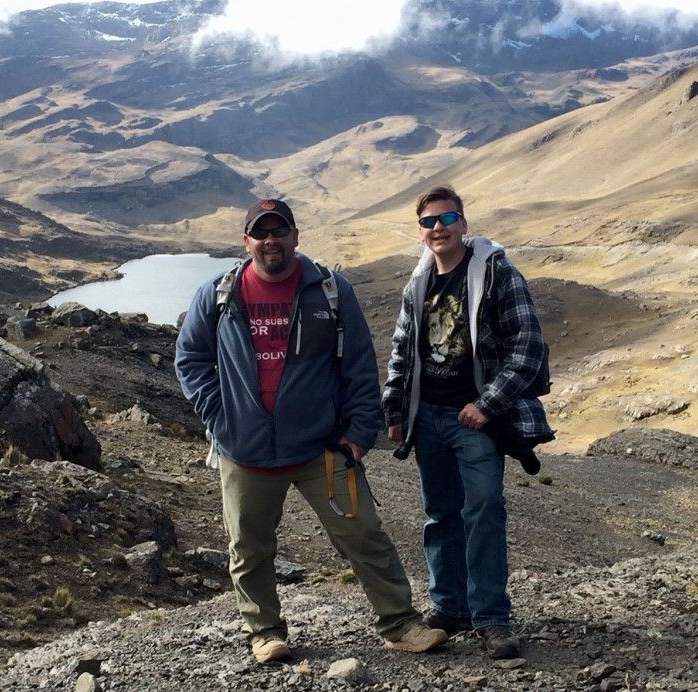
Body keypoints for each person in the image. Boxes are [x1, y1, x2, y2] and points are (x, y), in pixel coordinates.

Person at [175, 198, 447, 663]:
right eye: (261, 233)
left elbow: (360, 367)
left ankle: (400, 624)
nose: (270, 241)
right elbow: (190, 359)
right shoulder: (219, 294)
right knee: (249, 547)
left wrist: (359, 434)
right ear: (247, 242)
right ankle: (265, 632)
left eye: (279, 231)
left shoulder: (329, 290)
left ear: (296, 236)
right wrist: (219, 416)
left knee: (363, 534)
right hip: (244, 451)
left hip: (322, 447)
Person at [382, 186, 554, 659]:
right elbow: (402, 352)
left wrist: (487, 405)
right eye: (429, 222)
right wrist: (397, 411)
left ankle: (492, 618)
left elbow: (529, 348)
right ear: (420, 232)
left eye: (447, 218)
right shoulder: (417, 285)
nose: (438, 228)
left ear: (464, 223)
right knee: (441, 514)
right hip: (429, 418)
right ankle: (450, 606)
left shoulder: (496, 274)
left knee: (482, 509)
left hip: (474, 420)